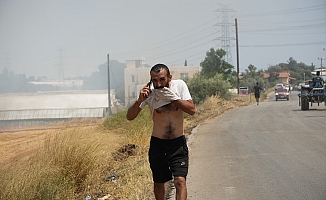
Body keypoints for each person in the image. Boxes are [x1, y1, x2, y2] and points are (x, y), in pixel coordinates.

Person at [126, 63, 196, 200]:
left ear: (169, 77)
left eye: (162, 79)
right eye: (155, 80)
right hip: (158, 143)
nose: (158, 84)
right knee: (159, 183)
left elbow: (192, 110)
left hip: (177, 142)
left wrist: (173, 98)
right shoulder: (149, 93)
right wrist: (140, 100)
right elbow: (130, 116)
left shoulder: (179, 86)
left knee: (180, 181)